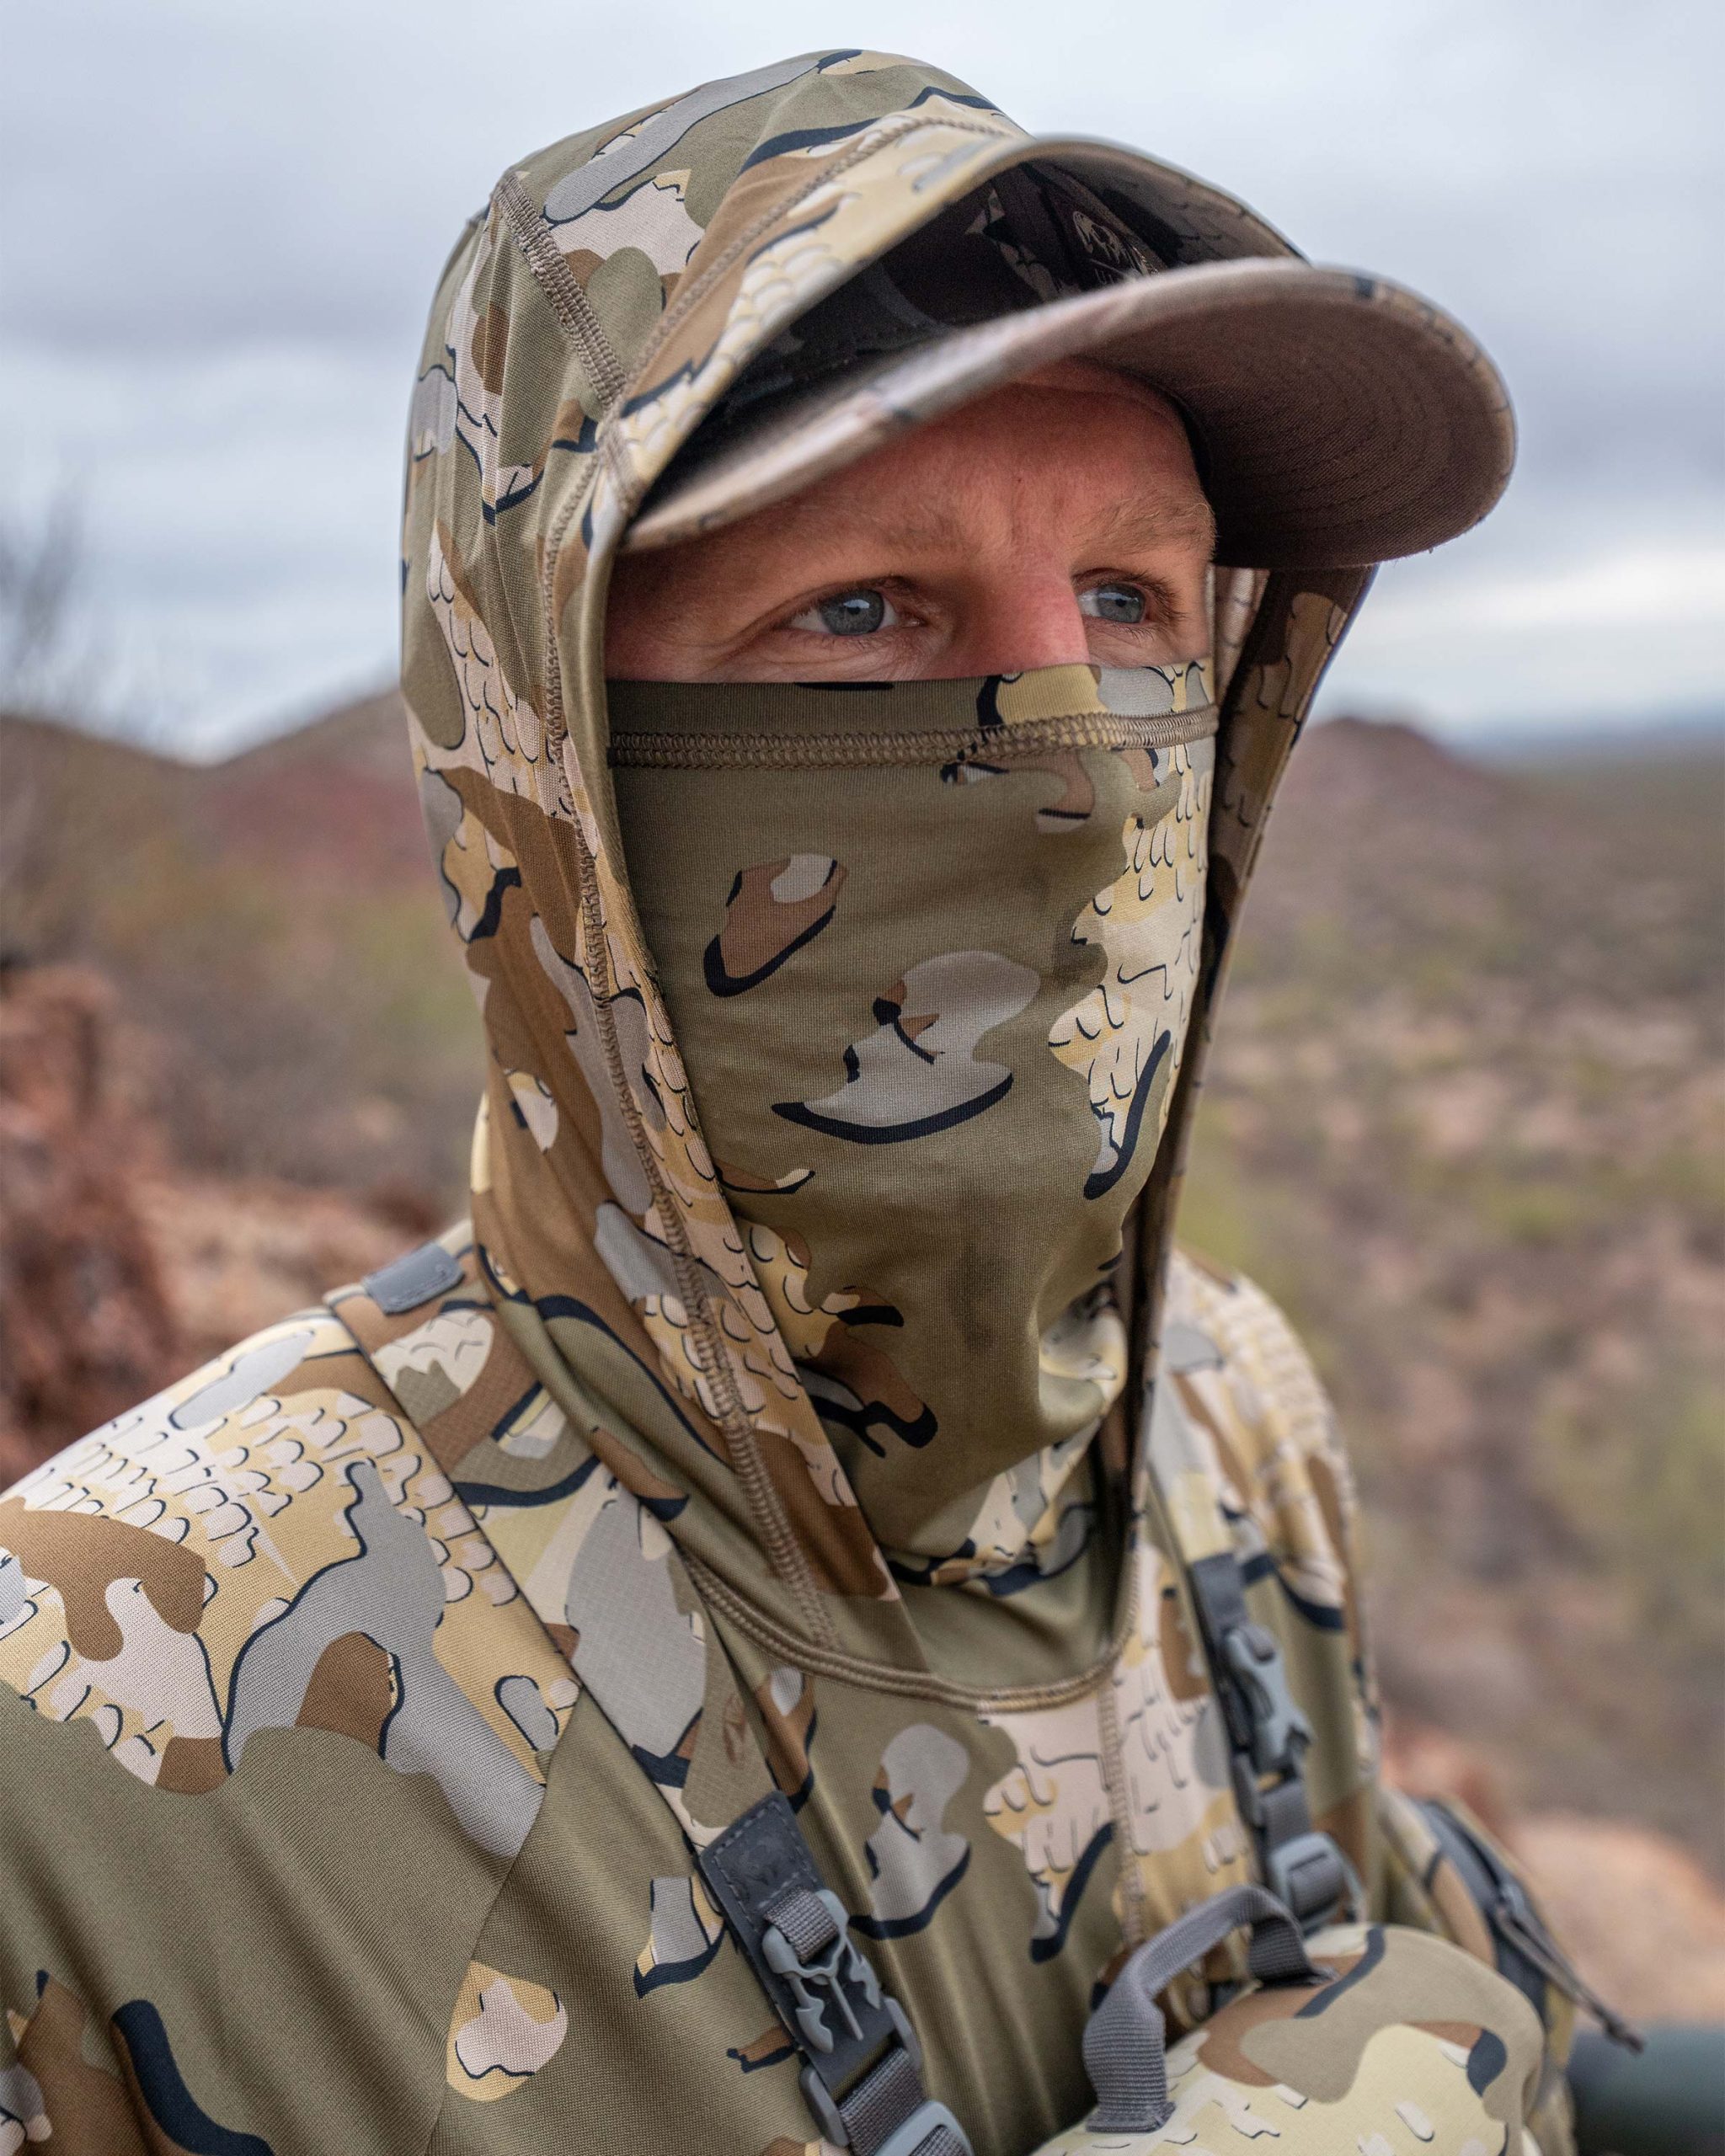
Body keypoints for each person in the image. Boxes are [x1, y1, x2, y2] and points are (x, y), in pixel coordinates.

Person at [0, 51, 1616, 2156]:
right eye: (858, 612)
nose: (1079, 767)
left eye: (1129, 600)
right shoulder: (91, 1746)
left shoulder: (1225, 1418)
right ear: (557, 763)